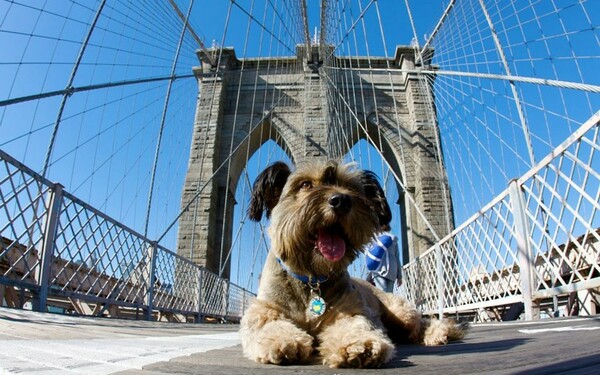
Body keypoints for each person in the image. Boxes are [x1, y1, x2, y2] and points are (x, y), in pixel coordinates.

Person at [365, 224, 402, 293]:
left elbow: (368, 255)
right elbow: (397, 259)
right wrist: (399, 276)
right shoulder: (393, 239)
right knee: (389, 296)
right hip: (392, 270)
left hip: (378, 270)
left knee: (383, 294)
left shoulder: (373, 240)